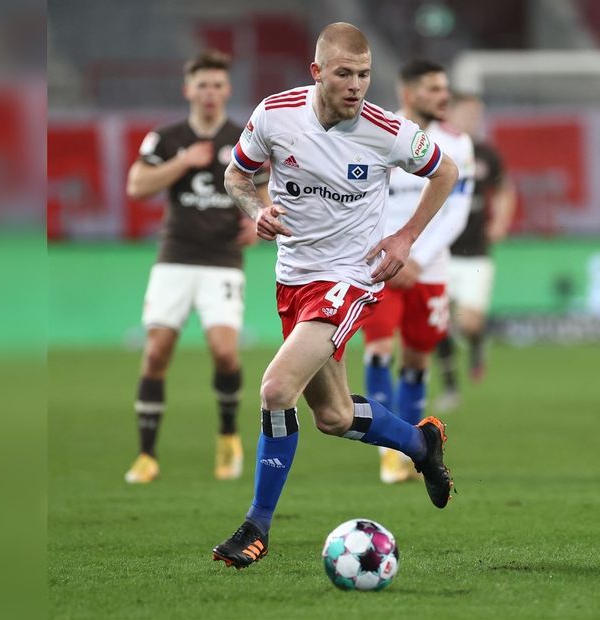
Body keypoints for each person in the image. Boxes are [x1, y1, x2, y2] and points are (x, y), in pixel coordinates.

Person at [211, 23, 459, 569]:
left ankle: (256, 526)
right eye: (344, 73)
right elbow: (235, 176)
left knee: (276, 389)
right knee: (333, 415)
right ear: (317, 72)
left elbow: (447, 171)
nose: (356, 85)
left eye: (364, 74)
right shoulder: (275, 115)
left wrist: (405, 235)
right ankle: (421, 445)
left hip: (350, 278)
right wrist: (258, 210)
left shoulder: (386, 130)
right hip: (293, 279)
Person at [123, 50, 266, 485]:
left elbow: (267, 189)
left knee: (225, 352)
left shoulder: (245, 136)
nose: (210, 92)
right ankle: (147, 455)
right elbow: (136, 186)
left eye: (217, 85)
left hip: (223, 260)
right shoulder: (165, 139)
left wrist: (258, 220)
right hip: (176, 256)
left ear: (228, 90)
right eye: (202, 84)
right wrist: (183, 162)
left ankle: (227, 437)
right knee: (155, 353)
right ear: (188, 89)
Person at [360, 60, 475, 484]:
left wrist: (418, 256)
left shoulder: (458, 144)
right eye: (433, 89)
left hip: (427, 268)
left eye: (445, 88)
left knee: (415, 357)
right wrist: (394, 257)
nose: (443, 96)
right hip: (381, 267)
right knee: (378, 351)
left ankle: (412, 449)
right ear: (408, 92)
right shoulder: (380, 132)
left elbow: (456, 210)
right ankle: (388, 453)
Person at [435, 93, 517, 411]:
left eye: (477, 115)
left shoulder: (486, 154)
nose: (473, 120)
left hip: (477, 253)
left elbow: (506, 190)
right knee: (438, 322)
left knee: (469, 323)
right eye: (468, 113)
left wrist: (501, 222)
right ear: (451, 113)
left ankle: (477, 343)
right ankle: (451, 387)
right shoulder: (439, 150)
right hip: (442, 253)